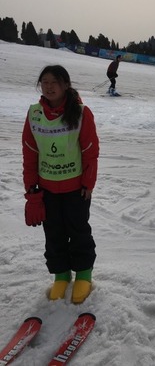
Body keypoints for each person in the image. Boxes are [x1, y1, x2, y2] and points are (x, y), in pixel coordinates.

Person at [22, 65, 99, 304]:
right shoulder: (34, 114)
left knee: (78, 231)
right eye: (44, 81)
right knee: (53, 233)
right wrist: (32, 189)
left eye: (54, 81)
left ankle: (84, 275)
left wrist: (88, 183)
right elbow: (30, 153)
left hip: (76, 189)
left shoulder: (81, 113)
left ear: (66, 85)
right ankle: (61, 276)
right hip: (47, 189)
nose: (49, 86)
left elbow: (90, 151)